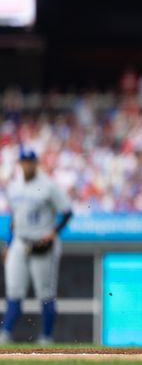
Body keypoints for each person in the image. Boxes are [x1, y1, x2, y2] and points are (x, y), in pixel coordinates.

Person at [1, 148, 73, 345]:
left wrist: (54, 232)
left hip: (42, 244)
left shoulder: (48, 185)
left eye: (29, 161)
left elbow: (67, 212)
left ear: (35, 163)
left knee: (45, 293)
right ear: (20, 163)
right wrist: (8, 244)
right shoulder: (14, 186)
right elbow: (15, 219)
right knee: (14, 291)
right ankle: (5, 335)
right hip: (20, 241)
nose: (26, 164)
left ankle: (46, 338)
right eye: (23, 161)